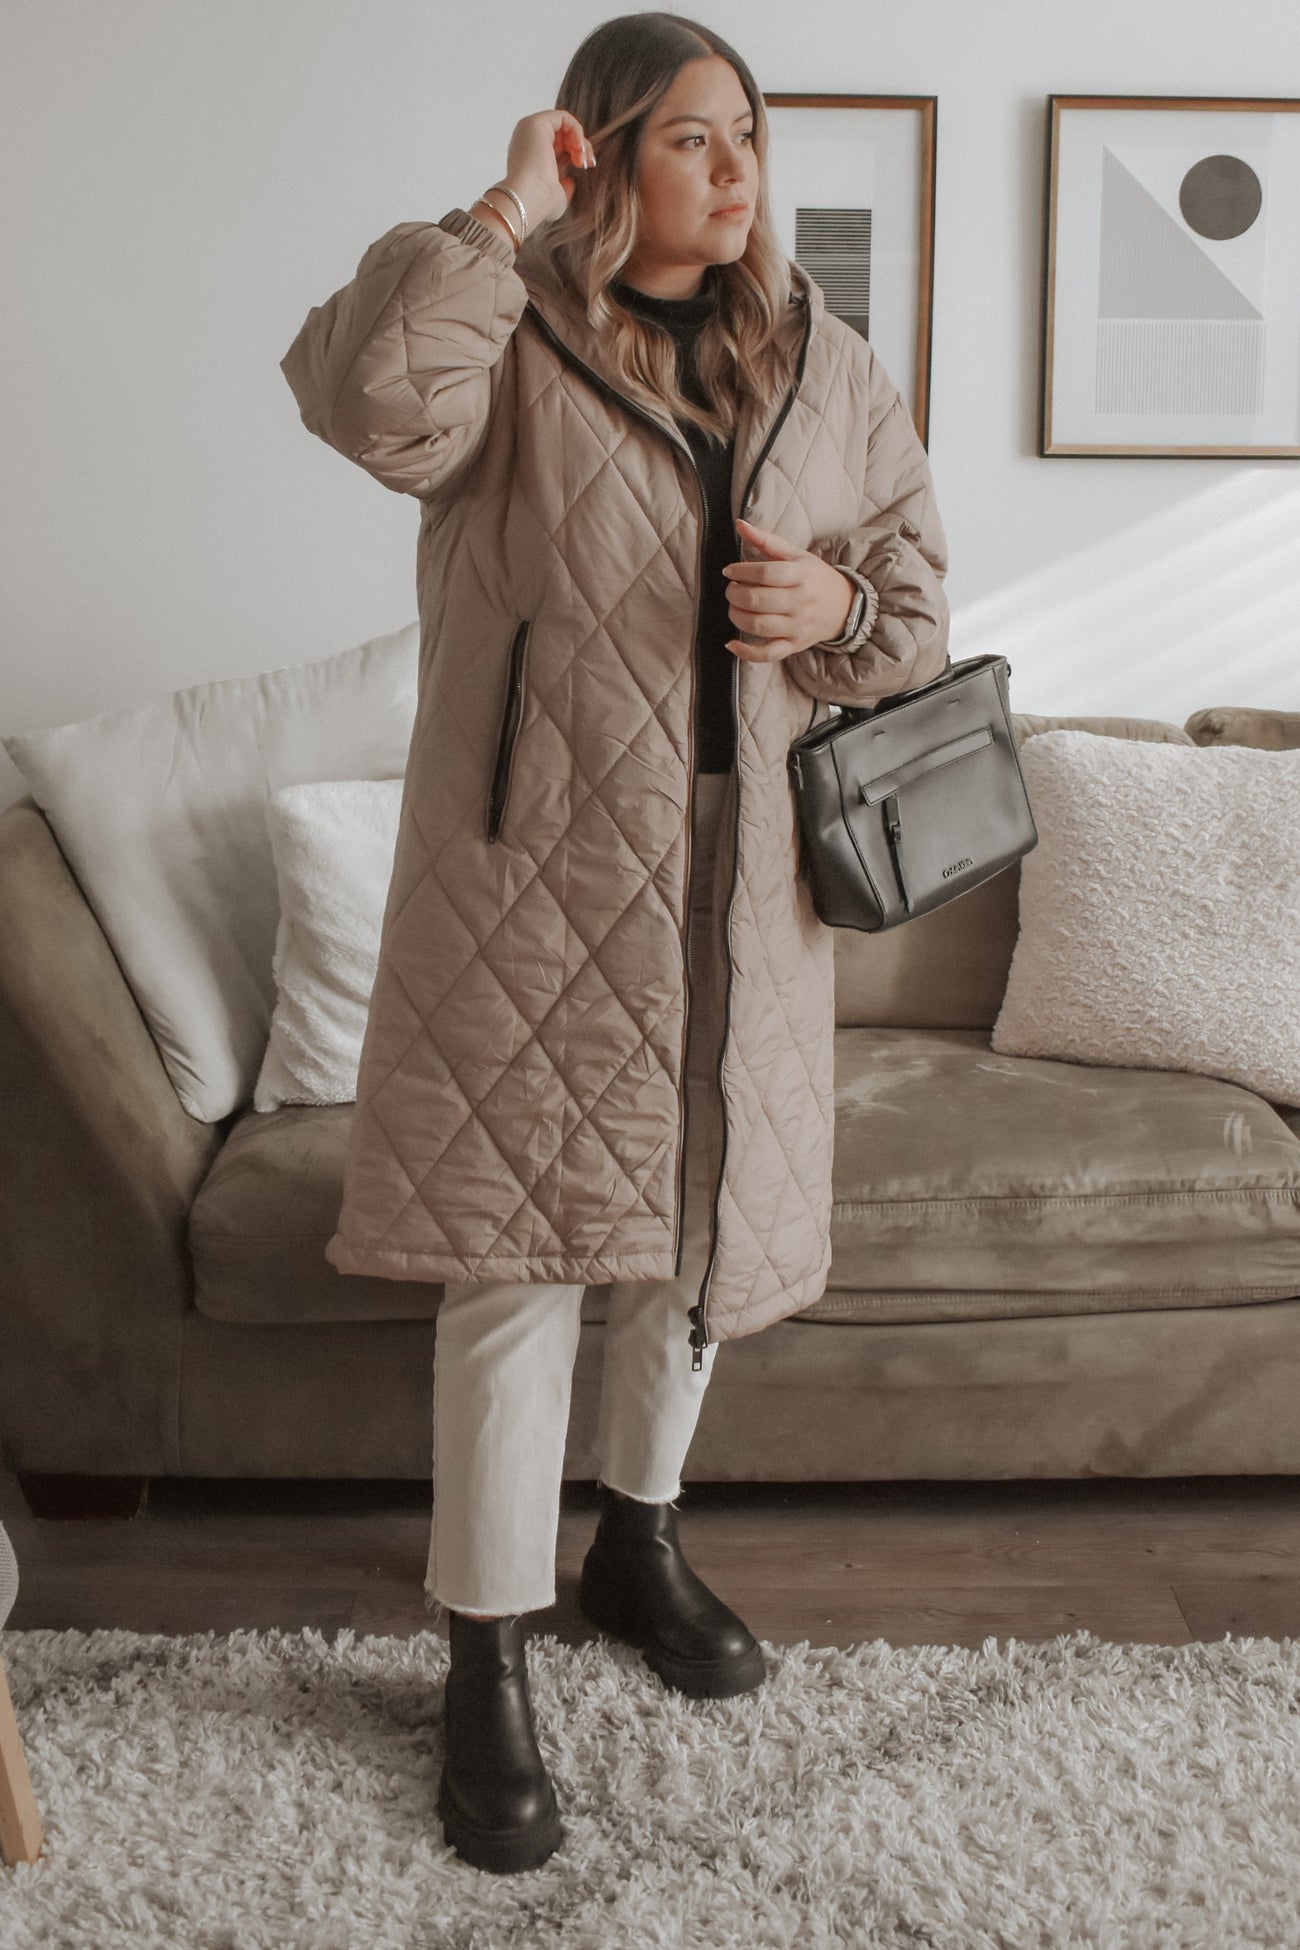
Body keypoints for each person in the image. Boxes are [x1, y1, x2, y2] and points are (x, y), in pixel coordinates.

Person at [281, 10, 949, 1877]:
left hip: (749, 878)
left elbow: (912, 609)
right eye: (687, 138)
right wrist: (500, 211)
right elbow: (366, 401)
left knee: (692, 1234)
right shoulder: (504, 333)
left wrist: (835, 602)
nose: (733, 170)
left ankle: (637, 1540)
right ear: (602, 154)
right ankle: (483, 1650)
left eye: (746, 133)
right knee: (518, 1262)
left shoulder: (828, 362)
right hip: (537, 880)